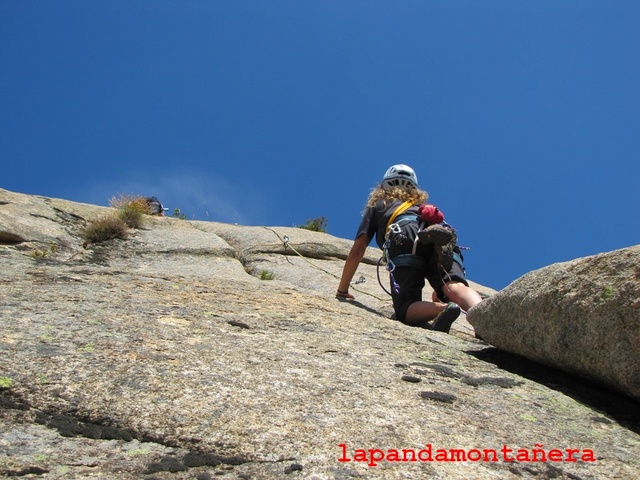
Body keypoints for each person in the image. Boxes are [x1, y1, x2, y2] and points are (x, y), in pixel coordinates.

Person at [336, 164, 482, 333]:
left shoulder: (380, 205)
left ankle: (443, 309)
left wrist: (342, 289)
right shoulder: (418, 207)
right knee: (455, 286)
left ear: (384, 185)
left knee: (406, 308)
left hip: (404, 235)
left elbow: (359, 248)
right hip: (434, 230)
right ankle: (485, 317)